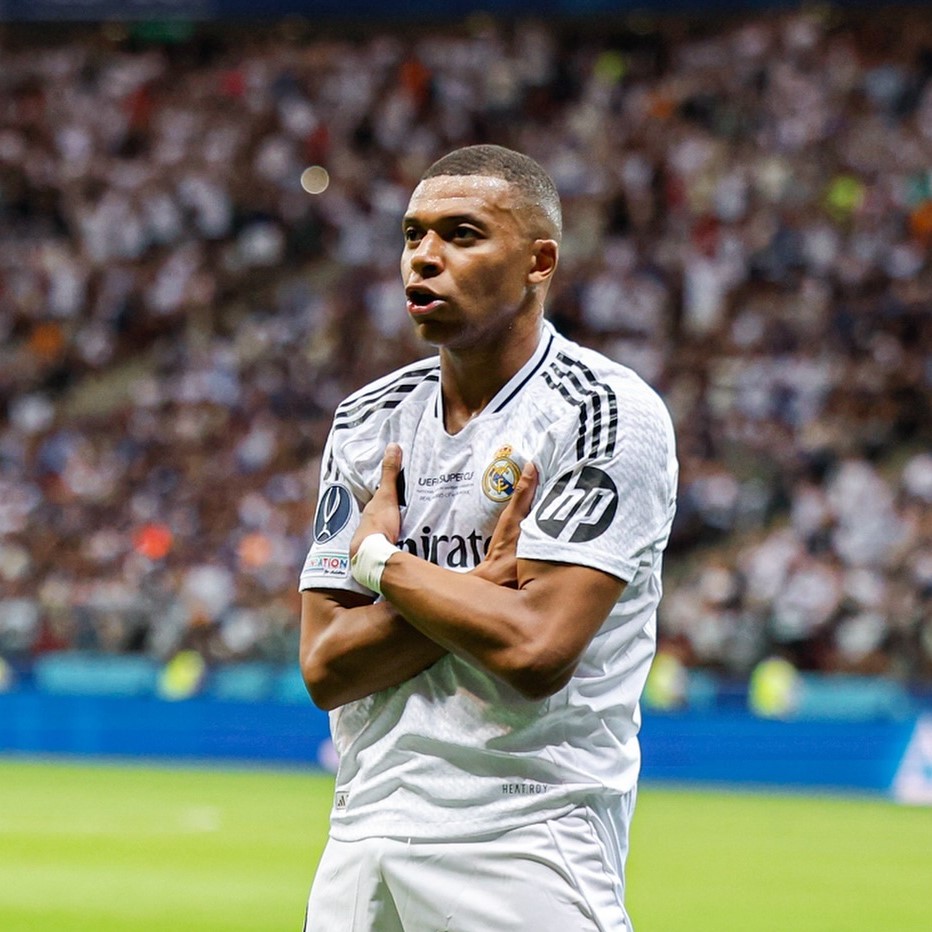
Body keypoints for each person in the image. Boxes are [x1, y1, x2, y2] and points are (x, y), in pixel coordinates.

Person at [298, 144, 678, 931]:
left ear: (539, 262)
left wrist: (381, 564)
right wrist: (478, 590)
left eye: (462, 234)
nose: (424, 256)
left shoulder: (603, 413)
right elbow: (327, 667)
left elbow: (535, 650)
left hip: (524, 836)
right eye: (413, 234)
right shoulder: (367, 420)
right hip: (361, 835)